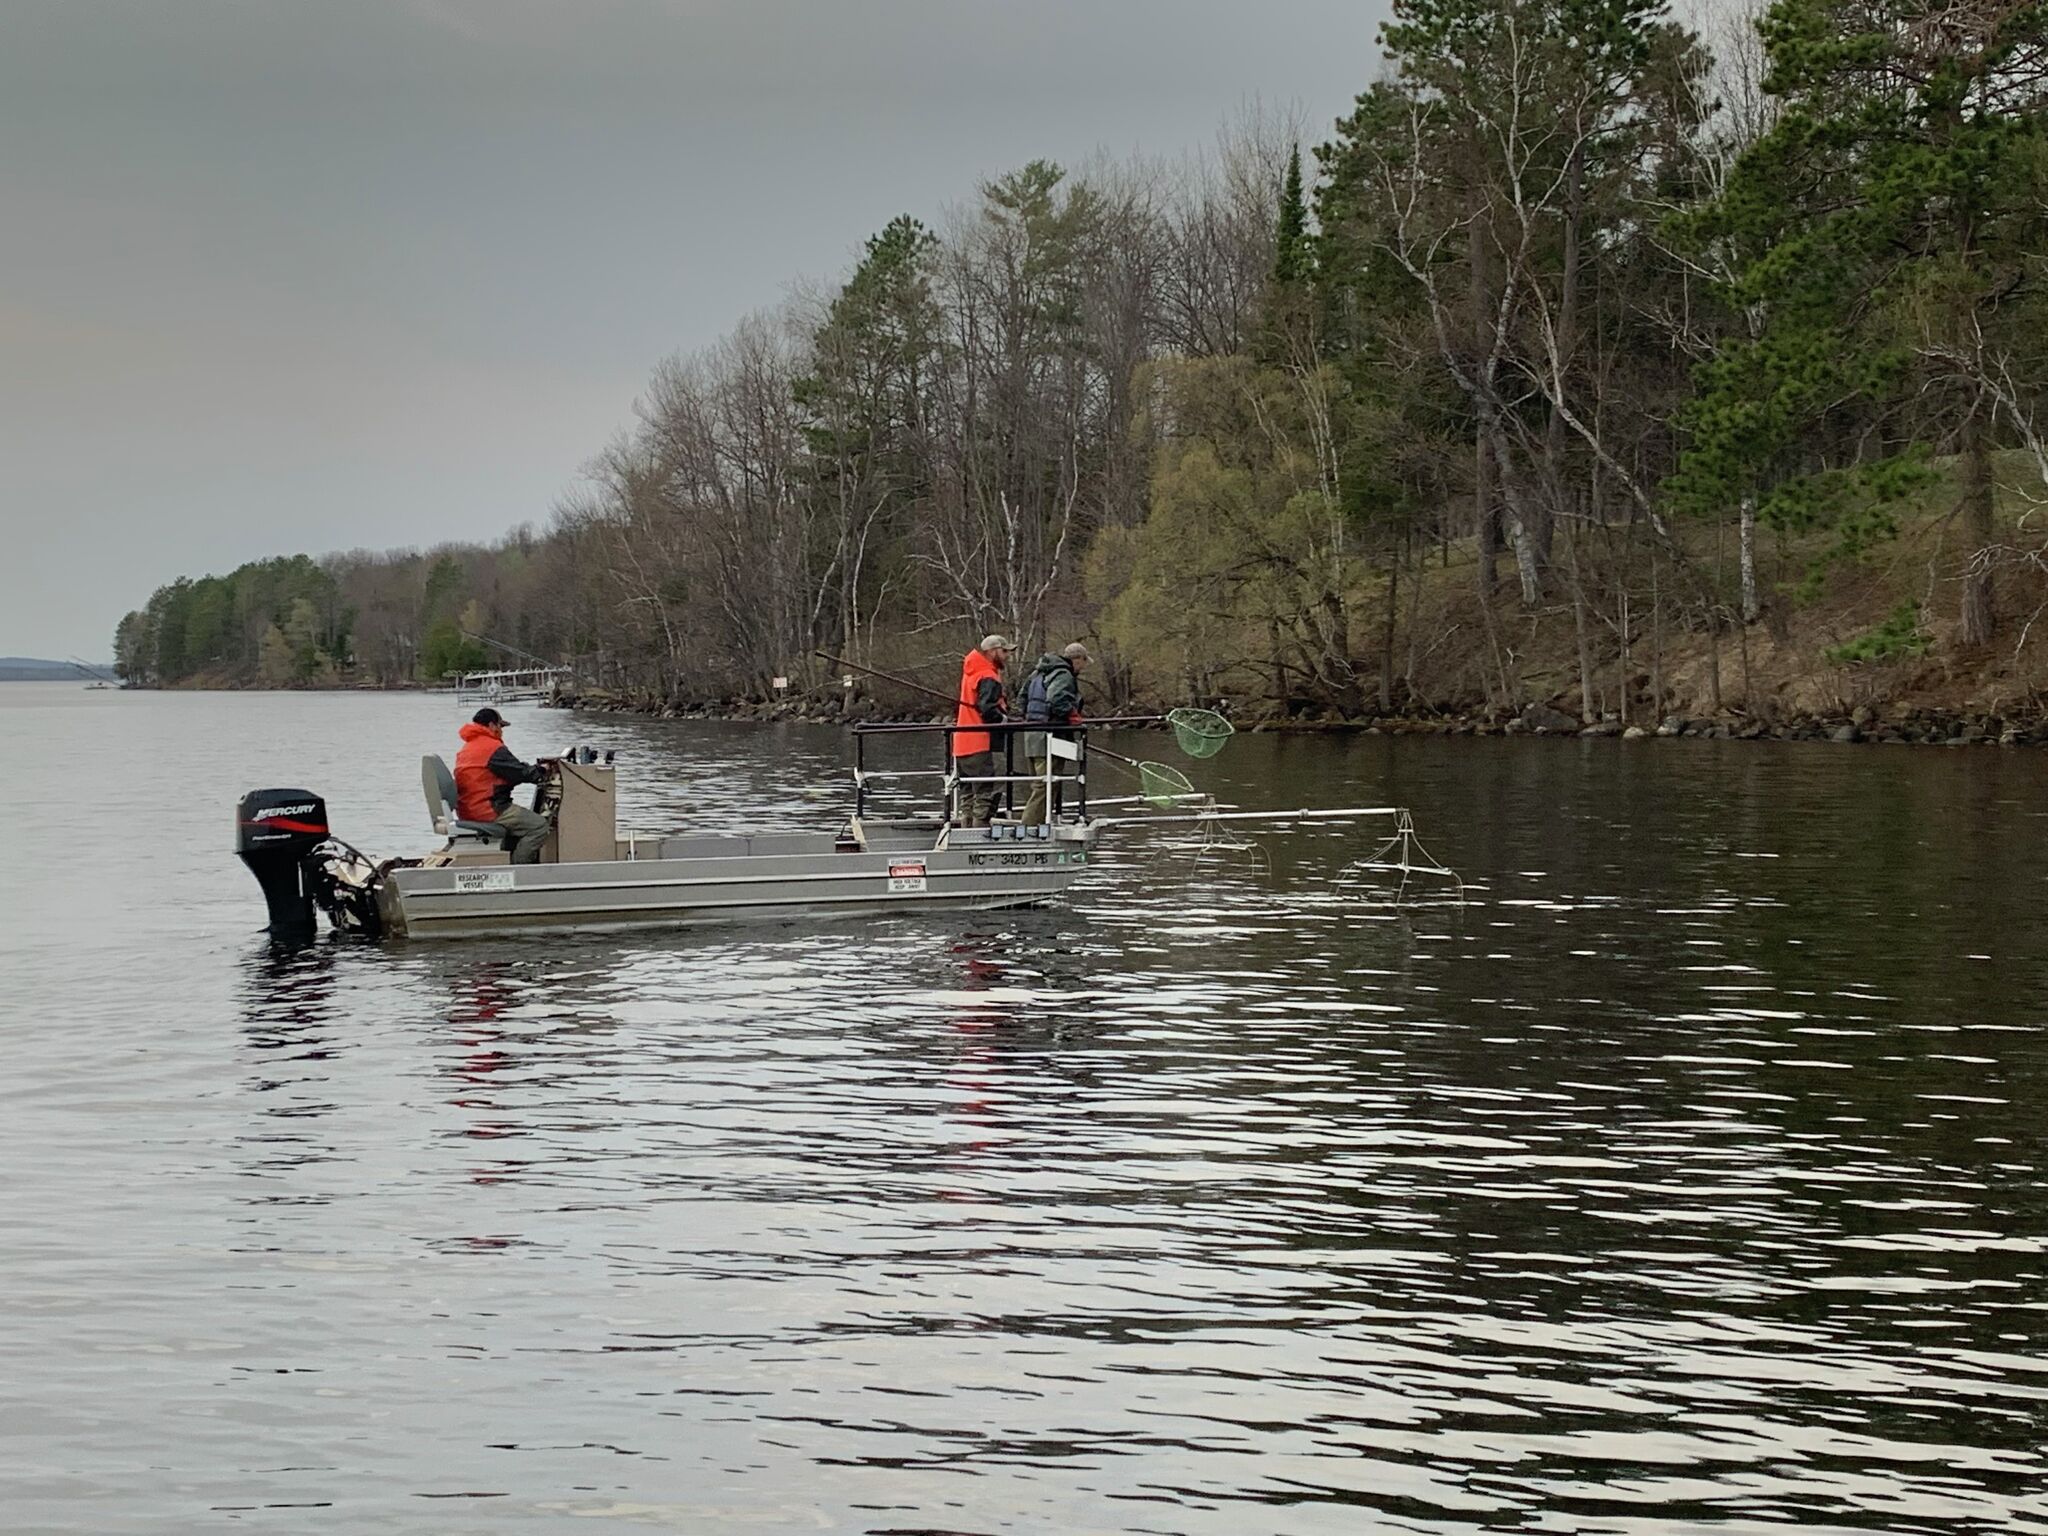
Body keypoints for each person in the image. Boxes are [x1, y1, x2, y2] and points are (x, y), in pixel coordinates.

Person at [454, 707, 555, 864]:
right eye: (501, 726)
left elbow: (503, 773)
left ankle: (509, 859)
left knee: (523, 820)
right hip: (488, 809)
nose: (502, 731)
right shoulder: (492, 748)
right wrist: (541, 770)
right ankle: (519, 871)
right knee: (538, 826)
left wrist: (527, 771)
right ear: (492, 725)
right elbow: (521, 773)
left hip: (469, 808)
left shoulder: (469, 748)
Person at [1021, 642, 1089, 826]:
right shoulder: (1064, 675)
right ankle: (1028, 828)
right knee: (1046, 786)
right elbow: (1056, 698)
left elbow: (1022, 698)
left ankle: (1039, 823)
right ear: (1077, 659)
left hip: (1031, 737)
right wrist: (1071, 714)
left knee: (1040, 784)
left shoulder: (1038, 673)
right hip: (1049, 739)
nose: (1083, 667)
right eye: (1084, 661)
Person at [952, 634, 1013, 827]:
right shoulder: (988, 676)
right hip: (981, 743)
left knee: (968, 794)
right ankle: (978, 838)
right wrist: (1003, 719)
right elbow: (987, 709)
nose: (1007, 656)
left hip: (962, 744)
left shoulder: (970, 673)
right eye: (1004, 652)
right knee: (987, 792)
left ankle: (965, 835)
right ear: (992, 651)